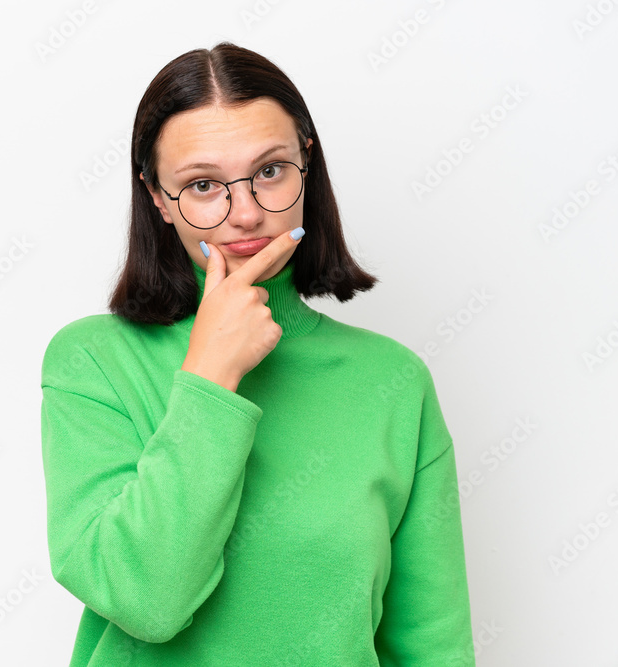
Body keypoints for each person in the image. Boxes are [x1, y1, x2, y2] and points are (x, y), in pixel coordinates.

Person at [40, 41, 475, 666]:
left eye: (270, 170)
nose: (245, 213)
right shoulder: (91, 363)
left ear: (307, 164)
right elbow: (146, 599)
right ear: (159, 199)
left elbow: (433, 645)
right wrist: (211, 374)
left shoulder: (393, 381)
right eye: (203, 185)